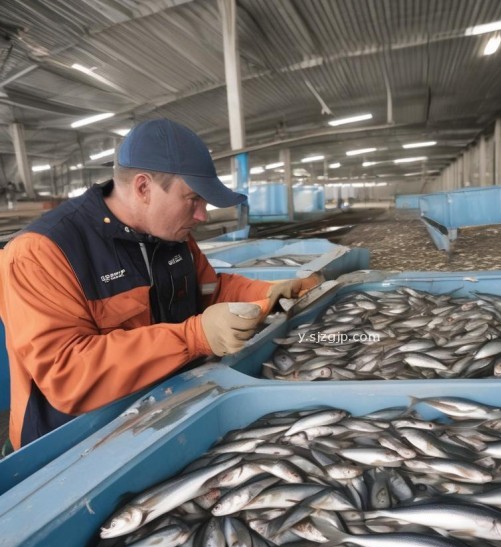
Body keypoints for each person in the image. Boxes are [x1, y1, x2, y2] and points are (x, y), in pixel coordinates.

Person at [0, 118, 321, 451]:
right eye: (193, 199)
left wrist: (267, 293)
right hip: (69, 447)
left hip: (157, 416)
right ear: (143, 188)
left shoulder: (171, 235)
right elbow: (66, 374)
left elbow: (210, 292)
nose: (203, 216)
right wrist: (193, 337)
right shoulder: (42, 252)